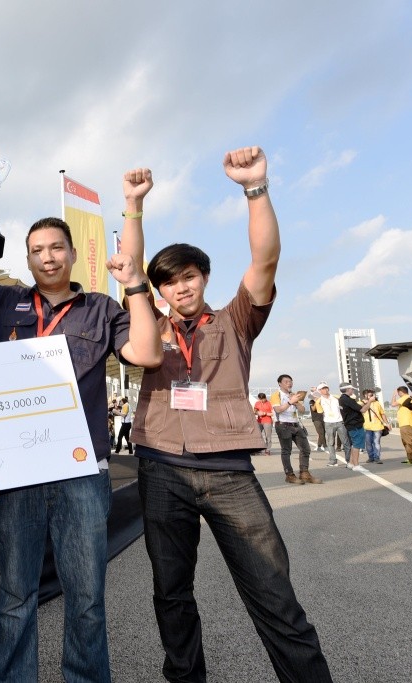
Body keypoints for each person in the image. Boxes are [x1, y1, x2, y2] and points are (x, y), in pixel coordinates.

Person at [123, 146, 333, 682]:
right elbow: (130, 272)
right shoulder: (149, 327)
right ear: (160, 290)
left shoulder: (236, 319)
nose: (181, 287)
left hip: (230, 473)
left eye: (189, 276)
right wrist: (134, 205)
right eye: (169, 281)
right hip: (161, 467)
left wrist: (254, 188)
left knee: (273, 594)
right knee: (171, 593)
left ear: (204, 277)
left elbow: (265, 261)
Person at [0, 167, 162, 682]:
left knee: (87, 598)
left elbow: (145, 353)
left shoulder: (100, 309)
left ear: (72, 254)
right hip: (17, 474)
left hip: (81, 472)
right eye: (36, 250)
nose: (47, 257)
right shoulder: (3, 303)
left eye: (55, 247)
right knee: (14, 595)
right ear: (26, 259)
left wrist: (135, 286)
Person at [269, 374, 321, 484]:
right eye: (286, 381)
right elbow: (278, 410)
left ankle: (304, 473)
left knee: (306, 449)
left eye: (291, 381)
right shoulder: (276, 395)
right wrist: (289, 402)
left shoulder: (294, 395)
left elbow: (302, 410)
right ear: (280, 383)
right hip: (283, 425)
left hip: (296, 424)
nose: (289, 383)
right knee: (286, 450)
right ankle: (289, 475)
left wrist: (296, 401)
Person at [313, 383, 350, 467]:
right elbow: (319, 411)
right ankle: (333, 460)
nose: (325, 390)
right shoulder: (319, 401)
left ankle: (349, 460)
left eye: (326, 388)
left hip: (340, 421)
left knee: (345, 442)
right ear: (319, 391)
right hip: (328, 423)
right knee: (331, 442)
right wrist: (316, 402)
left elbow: (343, 407)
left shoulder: (336, 397)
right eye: (322, 389)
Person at [338, 384, 372, 469]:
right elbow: (363, 410)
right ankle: (356, 465)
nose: (352, 391)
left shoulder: (342, 399)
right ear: (347, 389)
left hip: (350, 424)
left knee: (354, 444)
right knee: (357, 445)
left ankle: (351, 463)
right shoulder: (348, 400)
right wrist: (370, 401)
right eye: (351, 389)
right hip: (355, 424)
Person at [392, 386, 412, 465]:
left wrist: (394, 395)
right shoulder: (406, 398)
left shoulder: (405, 397)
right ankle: (411, 459)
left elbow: (393, 404)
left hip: (407, 423)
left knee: (411, 442)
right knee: (406, 442)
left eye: (398, 393)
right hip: (405, 423)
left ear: (400, 392)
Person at [361, 389, 387, 464]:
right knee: (368, 443)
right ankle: (371, 457)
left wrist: (386, 423)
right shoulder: (362, 403)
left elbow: (382, 413)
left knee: (376, 442)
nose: (372, 396)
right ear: (365, 395)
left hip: (377, 426)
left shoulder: (377, 403)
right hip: (367, 427)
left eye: (372, 395)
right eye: (370, 395)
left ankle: (377, 457)